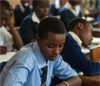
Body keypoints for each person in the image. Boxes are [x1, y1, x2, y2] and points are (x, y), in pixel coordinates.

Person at [0, 17, 82, 86]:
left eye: (61, 46)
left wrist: (63, 85)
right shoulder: (26, 58)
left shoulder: (52, 57)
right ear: (38, 40)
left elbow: (76, 79)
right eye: (50, 46)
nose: (56, 51)